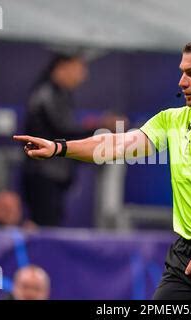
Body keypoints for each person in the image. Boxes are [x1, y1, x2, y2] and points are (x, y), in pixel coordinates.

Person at [14, 37, 191, 300]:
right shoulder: (172, 120)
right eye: (181, 72)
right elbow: (117, 144)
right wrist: (60, 147)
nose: (182, 82)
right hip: (186, 257)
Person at [22, 52, 123, 226]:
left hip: (54, 177)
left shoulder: (60, 95)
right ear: (62, 68)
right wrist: (100, 127)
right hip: (43, 178)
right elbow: (64, 131)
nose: (83, 76)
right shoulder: (47, 94)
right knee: (46, 229)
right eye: (78, 69)